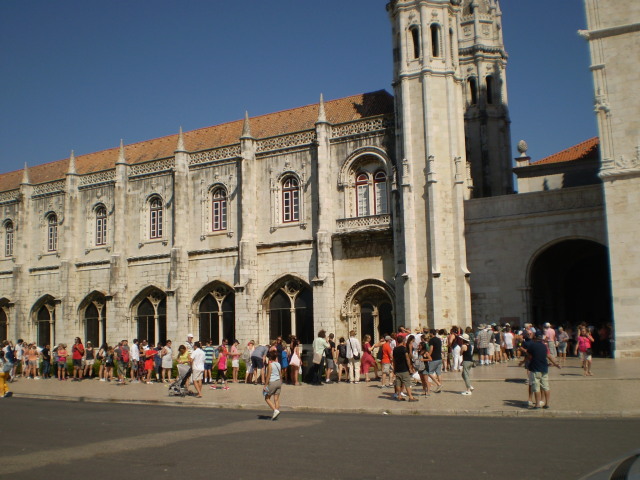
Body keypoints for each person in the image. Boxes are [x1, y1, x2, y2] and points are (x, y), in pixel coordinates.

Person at [526, 332, 561, 408]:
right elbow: (549, 356)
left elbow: (529, 356)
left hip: (535, 368)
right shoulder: (545, 346)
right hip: (544, 368)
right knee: (546, 387)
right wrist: (556, 364)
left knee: (536, 387)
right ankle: (547, 404)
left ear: (535, 337)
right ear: (541, 338)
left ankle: (537, 404)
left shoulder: (531, 346)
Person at [392, 335, 418, 402]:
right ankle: (410, 397)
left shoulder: (395, 349)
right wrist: (410, 367)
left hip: (397, 368)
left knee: (398, 383)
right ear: (403, 341)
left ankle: (399, 396)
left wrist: (394, 368)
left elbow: (393, 360)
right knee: (407, 383)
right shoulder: (404, 349)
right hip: (404, 368)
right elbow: (407, 358)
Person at [263, 350, 283, 420]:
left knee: (266, 397)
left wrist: (265, 385)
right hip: (278, 382)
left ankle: (275, 410)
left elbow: (268, 376)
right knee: (276, 399)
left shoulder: (270, 365)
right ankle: (275, 414)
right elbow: (280, 374)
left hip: (272, 382)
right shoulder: (279, 364)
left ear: (270, 358)